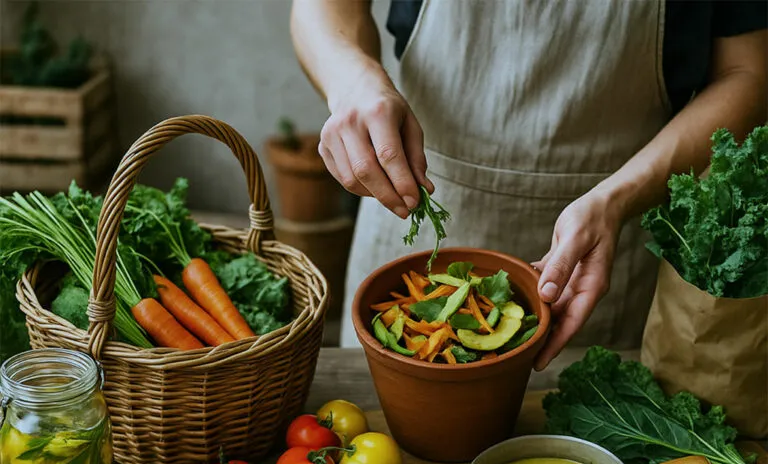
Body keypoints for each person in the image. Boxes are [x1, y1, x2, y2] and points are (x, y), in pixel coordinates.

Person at [291, 0, 767, 367]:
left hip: (606, 241)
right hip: (415, 195)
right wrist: (353, 83)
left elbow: (748, 72)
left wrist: (617, 198)